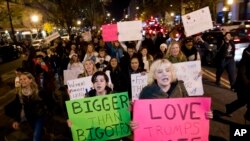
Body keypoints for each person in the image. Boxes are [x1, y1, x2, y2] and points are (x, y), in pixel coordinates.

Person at [131, 59, 213, 128]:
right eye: (160, 72)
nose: (164, 73)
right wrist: (135, 124)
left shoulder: (180, 87)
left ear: (172, 73)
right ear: (154, 76)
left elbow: (189, 110)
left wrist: (204, 114)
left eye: (167, 70)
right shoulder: (146, 92)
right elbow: (140, 116)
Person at [5, 72, 47, 141]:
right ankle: (42, 131)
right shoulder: (19, 94)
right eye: (21, 79)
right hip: (29, 117)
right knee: (35, 129)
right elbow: (19, 108)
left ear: (30, 80)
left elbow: (48, 100)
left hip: (39, 116)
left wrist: (44, 111)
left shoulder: (39, 91)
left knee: (36, 138)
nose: (22, 81)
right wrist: (16, 120)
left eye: (24, 79)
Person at [225, 45, 250, 120]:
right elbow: (242, 69)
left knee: (243, 100)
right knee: (244, 99)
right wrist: (246, 82)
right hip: (245, 81)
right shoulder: (248, 51)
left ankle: (230, 107)